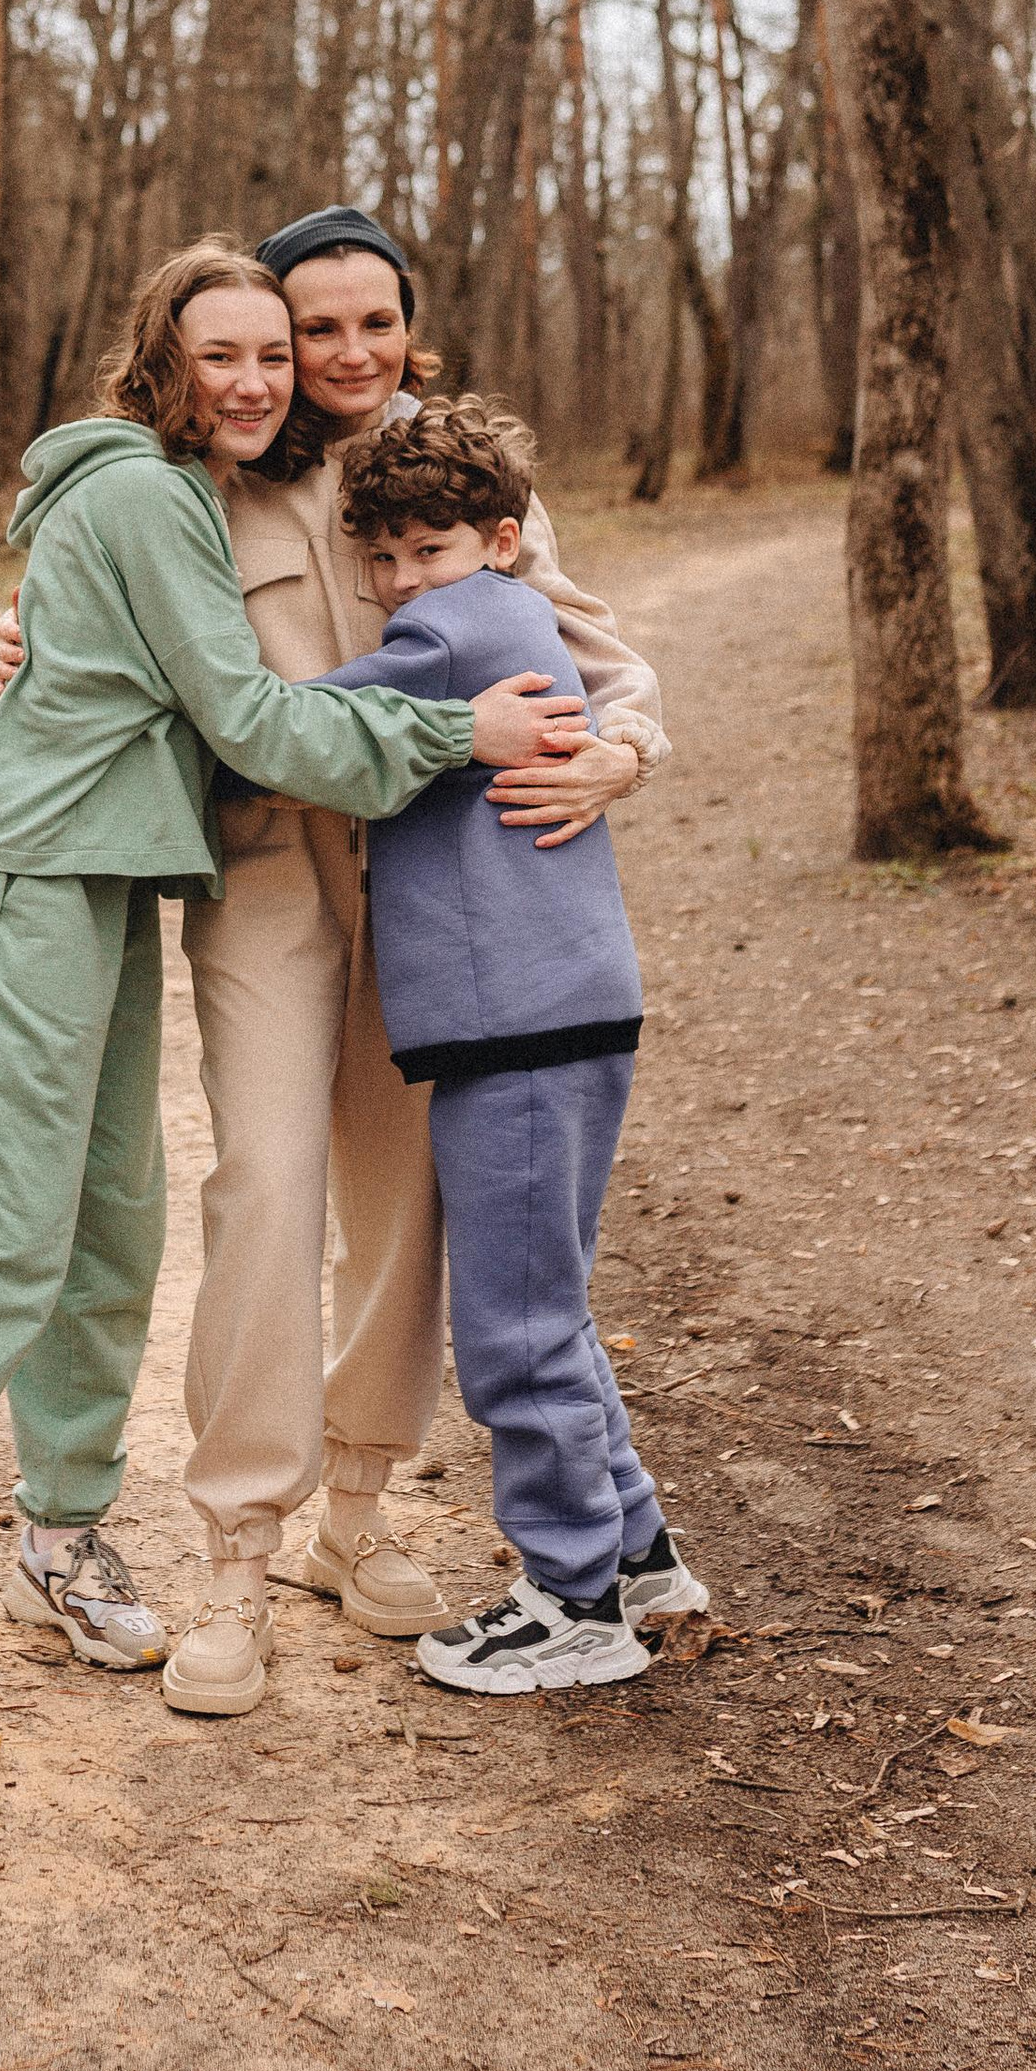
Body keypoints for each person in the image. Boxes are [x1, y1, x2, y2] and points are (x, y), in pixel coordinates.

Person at [0, 242, 577, 1768]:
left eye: (280, 353)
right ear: (166, 363)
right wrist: (455, 732)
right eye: (229, 355)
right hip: (19, 876)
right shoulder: (151, 495)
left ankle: (62, 1542)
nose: (264, 378)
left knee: (109, 1226)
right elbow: (255, 720)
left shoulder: (222, 490)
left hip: (111, 881)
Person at [0, 202, 667, 1719]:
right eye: (310, 334)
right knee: (272, 1185)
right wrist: (26, 636)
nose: (338, 358)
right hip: (271, 873)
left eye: (373, 327)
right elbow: (105, 617)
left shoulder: (453, 471)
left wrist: (619, 755)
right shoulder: (193, 478)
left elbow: (591, 655)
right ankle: (235, 1547)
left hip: (439, 883)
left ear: (407, 333)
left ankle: (354, 1516)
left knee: (407, 1193)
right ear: (263, 348)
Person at [320, 398, 707, 1694]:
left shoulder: (453, 628)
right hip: (556, 1010)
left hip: (520, 1026)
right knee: (552, 1307)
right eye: (377, 556)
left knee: (514, 1331)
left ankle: (572, 1601)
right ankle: (638, 1555)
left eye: (425, 548)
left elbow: (303, 735)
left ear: (500, 540)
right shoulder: (499, 615)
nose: (395, 580)